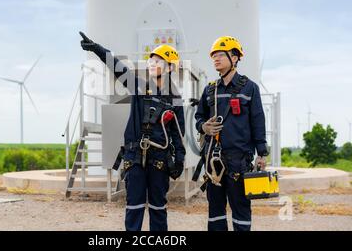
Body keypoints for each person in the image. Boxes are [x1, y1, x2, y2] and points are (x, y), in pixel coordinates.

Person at [79, 32, 185, 231]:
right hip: (135, 157)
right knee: (134, 207)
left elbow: (179, 135)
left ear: (170, 67)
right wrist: (97, 48)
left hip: (160, 161)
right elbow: (118, 68)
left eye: (158, 61)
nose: (152, 64)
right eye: (151, 60)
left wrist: (179, 160)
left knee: (158, 209)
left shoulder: (176, 100)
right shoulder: (139, 87)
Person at [193, 36, 268, 231]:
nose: (215, 59)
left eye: (220, 55)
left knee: (241, 212)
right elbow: (199, 117)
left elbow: (258, 121)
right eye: (214, 56)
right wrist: (203, 127)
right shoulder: (210, 90)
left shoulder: (250, 88)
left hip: (239, 161)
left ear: (234, 58)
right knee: (215, 213)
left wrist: (262, 153)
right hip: (213, 162)